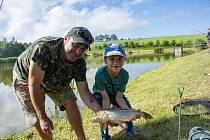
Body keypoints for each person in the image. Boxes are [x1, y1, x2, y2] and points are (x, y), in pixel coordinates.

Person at [13, 27, 102, 140]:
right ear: (66, 39)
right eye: (76, 45)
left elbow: (85, 94)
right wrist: (43, 117)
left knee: (70, 102)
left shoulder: (79, 62)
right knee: (37, 117)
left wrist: (104, 115)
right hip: (26, 77)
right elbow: (34, 85)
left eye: (83, 48)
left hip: (55, 76)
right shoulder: (44, 48)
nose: (78, 51)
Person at [92, 44, 140, 140]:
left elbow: (119, 97)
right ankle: (105, 136)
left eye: (119, 59)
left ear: (124, 60)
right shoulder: (100, 74)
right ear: (106, 60)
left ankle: (130, 129)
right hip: (101, 94)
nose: (116, 62)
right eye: (112, 59)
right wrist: (108, 116)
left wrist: (130, 113)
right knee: (102, 115)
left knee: (127, 108)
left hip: (115, 94)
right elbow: (105, 98)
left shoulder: (125, 75)